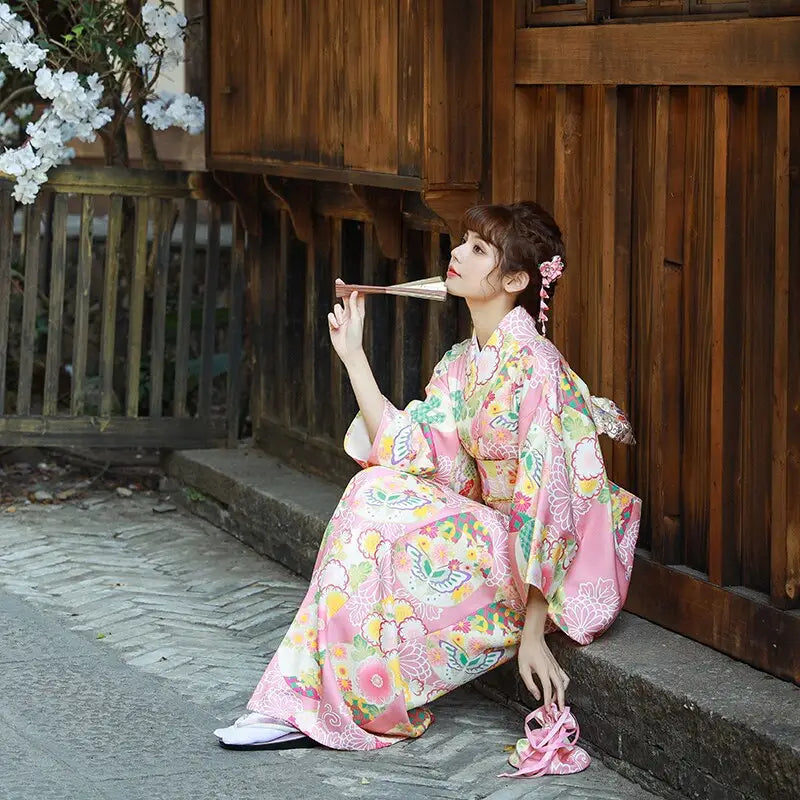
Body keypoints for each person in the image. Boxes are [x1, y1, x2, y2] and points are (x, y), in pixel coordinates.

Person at [214, 201, 641, 752]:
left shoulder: (535, 366)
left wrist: (533, 634)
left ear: (514, 279)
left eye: (478, 249)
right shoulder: (463, 363)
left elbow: (551, 506)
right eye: (462, 242)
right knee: (372, 492)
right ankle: (304, 698)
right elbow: (413, 452)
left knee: (377, 512)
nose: (457, 254)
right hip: (499, 541)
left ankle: (312, 701)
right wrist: (353, 357)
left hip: (542, 566)